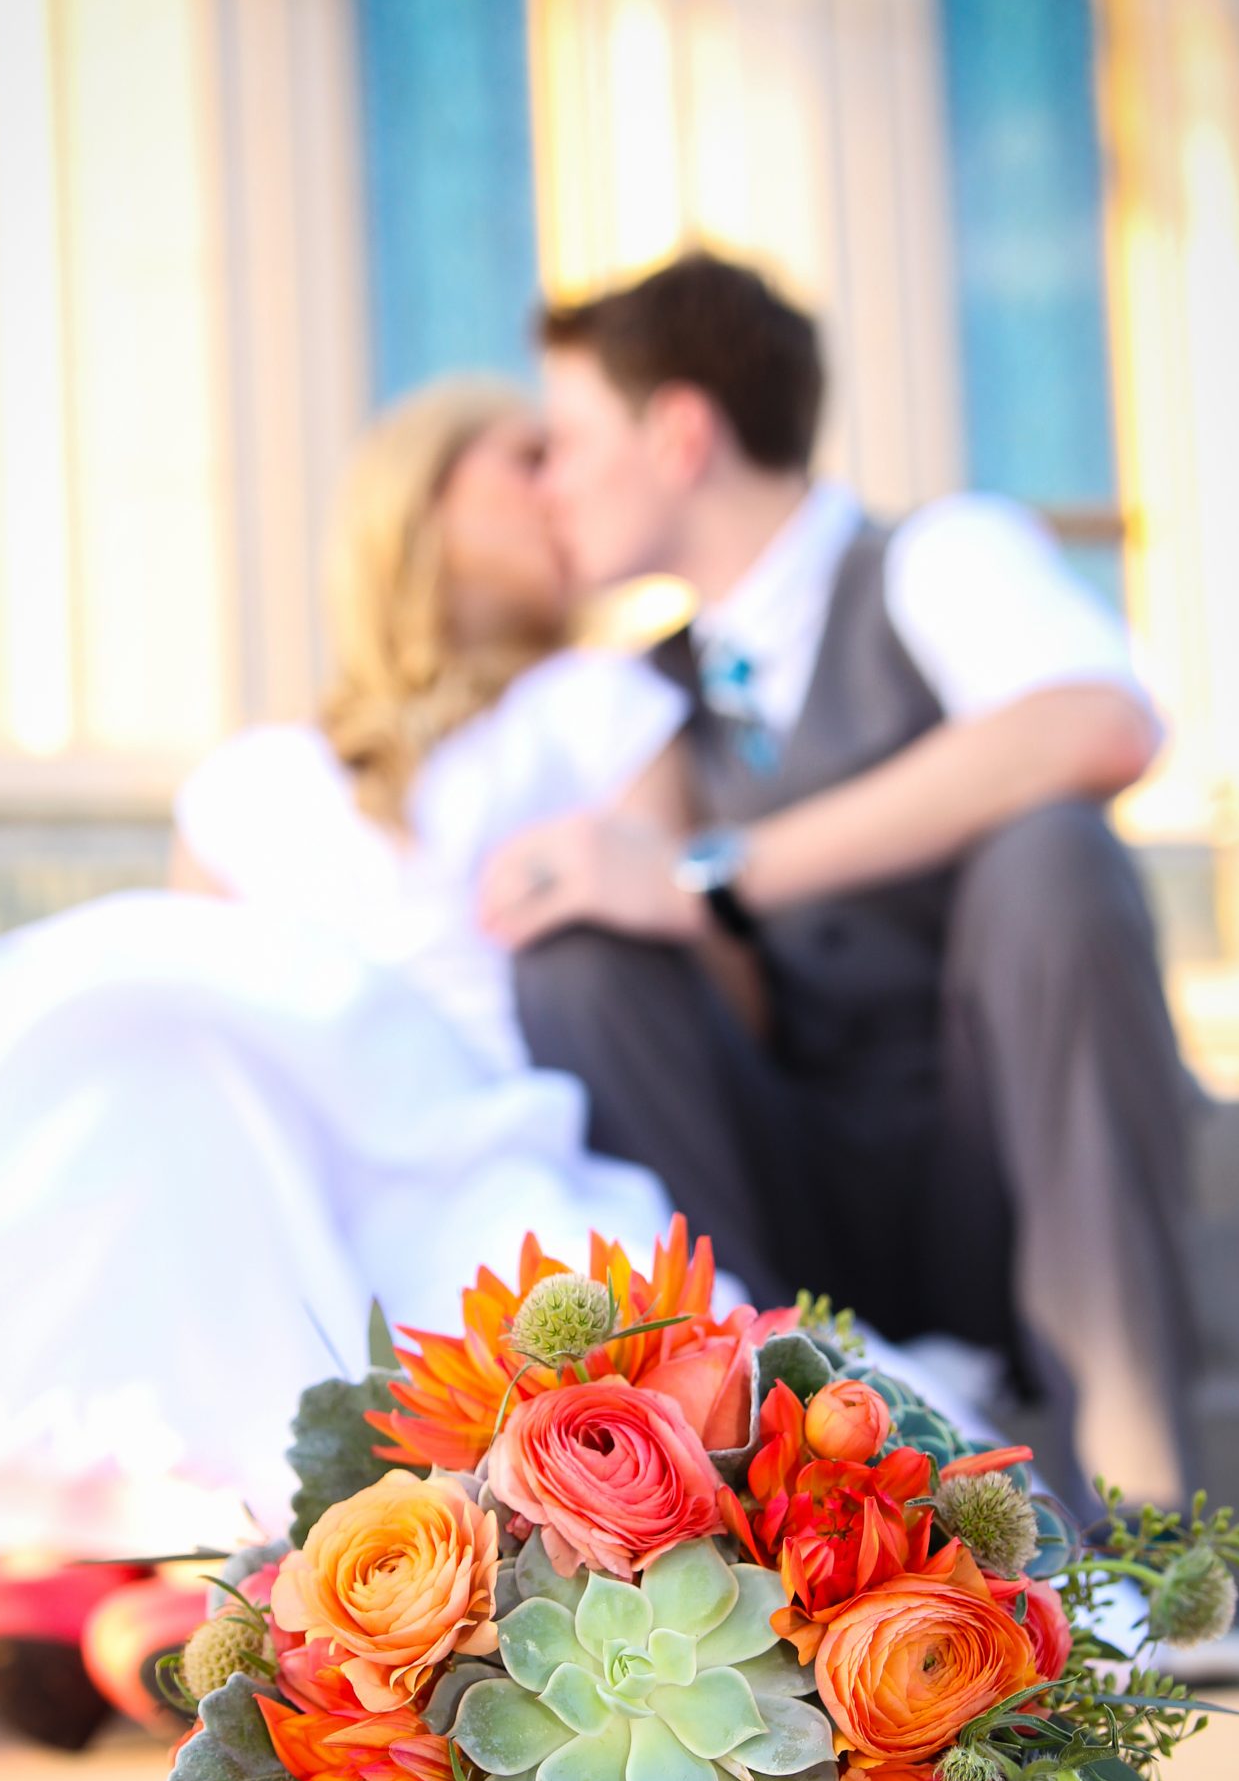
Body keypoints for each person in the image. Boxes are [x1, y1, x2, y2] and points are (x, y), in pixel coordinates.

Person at [0, 379, 686, 1737]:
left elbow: (670, 947)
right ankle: (116, 1538)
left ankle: (203, 1559)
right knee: (138, 1079)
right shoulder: (255, 779)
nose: (560, 484)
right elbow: (197, 968)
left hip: (440, 1099)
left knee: (407, 1241)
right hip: (262, 1104)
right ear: (419, 505)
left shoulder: (599, 707)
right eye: (524, 458)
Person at [479, 251, 1198, 1521]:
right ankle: (757, 1460)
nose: (550, 481)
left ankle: (1142, 1505)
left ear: (680, 432)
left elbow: (1099, 722)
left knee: (1054, 856)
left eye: (571, 439)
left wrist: (711, 871)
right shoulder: (649, 693)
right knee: (578, 964)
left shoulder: (934, 557)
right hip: (794, 1201)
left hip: (1001, 1176)